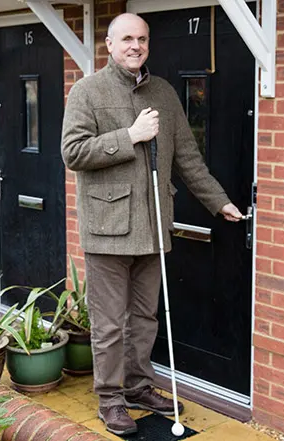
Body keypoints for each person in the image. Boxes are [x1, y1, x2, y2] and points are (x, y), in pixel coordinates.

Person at [61, 12, 243, 436]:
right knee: (108, 324)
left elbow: (187, 158)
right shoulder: (87, 91)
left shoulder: (162, 92)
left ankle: (139, 387)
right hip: (107, 229)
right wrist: (131, 136)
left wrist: (219, 202)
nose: (135, 46)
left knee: (144, 318)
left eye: (142, 39)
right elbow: (73, 153)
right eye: (126, 39)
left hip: (153, 225)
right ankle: (110, 399)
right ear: (109, 44)